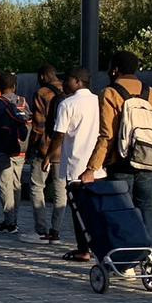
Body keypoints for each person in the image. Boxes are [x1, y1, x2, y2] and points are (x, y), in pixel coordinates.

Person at [83, 50, 152, 243]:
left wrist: (91, 169)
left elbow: (108, 136)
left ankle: (128, 257)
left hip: (121, 162)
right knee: (147, 207)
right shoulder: (151, 93)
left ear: (115, 70)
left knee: (123, 210)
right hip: (149, 160)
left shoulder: (110, 93)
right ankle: (151, 256)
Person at [47, 68, 100, 262]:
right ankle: (98, 244)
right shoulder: (99, 101)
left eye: (67, 80)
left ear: (78, 81)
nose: (63, 84)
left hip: (76, 165)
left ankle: (83, 248)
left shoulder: (67, 103)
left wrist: (48, 156)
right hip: (97, 166)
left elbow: (59, 134)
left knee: (78, 209)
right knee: (96, 208)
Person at [0, 72, 31, 233]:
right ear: (15, 86)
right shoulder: (22, 101)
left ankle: (9, 221)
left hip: (1, 148)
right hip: (20, 149)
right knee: (17, 184)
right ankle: (14, 218)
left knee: (5, 185)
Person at [26, 65, 67, 243]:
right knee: (61, 190)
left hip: (44, 148)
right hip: (63, 149)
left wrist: (33, 145)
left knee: (36, 187)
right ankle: (56, 231)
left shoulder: (42, 93)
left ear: (42, 76)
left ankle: (41, 230)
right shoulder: (68, 90)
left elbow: (38, 125)